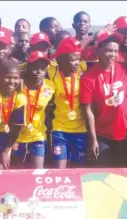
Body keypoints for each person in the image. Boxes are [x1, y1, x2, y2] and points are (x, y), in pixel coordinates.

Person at [80, 32, 127, 167]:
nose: (112, 55)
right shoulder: (89, 77)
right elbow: (88, 111)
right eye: (109, 51)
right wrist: (93, 140)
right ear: (99, 51)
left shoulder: (126, 70)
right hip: (102, 136)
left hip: (124, 135)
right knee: (101, 177)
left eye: (115, 51)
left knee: (122, 178)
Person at [11, 51, 55, 169]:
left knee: (38, 172)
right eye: (35, 68)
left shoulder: (50, 87)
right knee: (17, 173)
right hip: (17, 136)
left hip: (38, 135)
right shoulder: (18, 86)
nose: (39, 72)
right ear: (28, 67)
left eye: (42, 69)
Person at [51, 37, 88, 169]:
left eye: (78, 59)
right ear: (62, 60)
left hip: (81, 130)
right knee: (60, 169)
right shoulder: (53, 72)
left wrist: (95, 36)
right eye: (73, 60)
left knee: (78, 171)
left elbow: (80, 48)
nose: (77, 63)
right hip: (60, 130)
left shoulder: (82, 70)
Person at [0, 60, 27, 169]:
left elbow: (16, 130)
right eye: (8, 77)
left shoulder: (19, 98)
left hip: (4, 135)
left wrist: (6, 151)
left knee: (0, 166)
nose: (12, 81)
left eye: (15, 78)